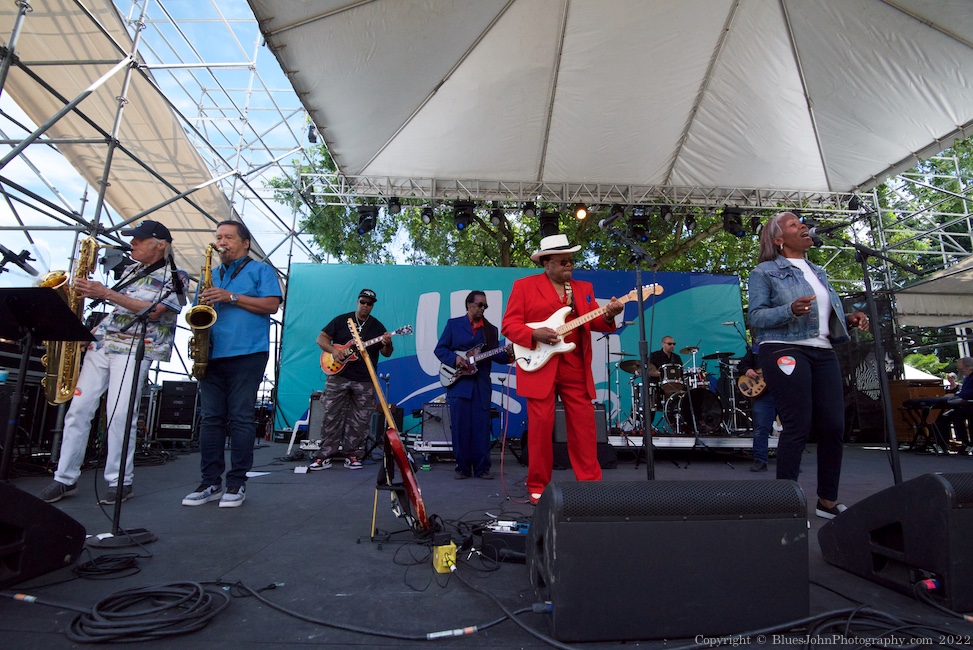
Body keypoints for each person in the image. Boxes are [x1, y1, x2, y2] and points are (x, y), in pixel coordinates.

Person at [40, 220, 189, 504]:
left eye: (138, 240)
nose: (132, 244)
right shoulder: (131, 270)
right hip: (103, 346)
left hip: (136, 348)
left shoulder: (176, 275)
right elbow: (118, 311)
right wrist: (88, 333)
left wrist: (105, 292)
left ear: (159, 245)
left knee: (120, 415)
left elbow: (156, 312)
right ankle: (64, 478)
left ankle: (121, 481)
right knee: (78, 410)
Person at [748, 211, 868, 519]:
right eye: (793, 224)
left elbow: (826, 311)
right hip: (784, 348)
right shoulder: (764, 271)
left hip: (823, 350)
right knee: (797, 424)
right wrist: (789, 309)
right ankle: (784, 504)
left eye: (802, 223)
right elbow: (756, 317)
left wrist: (849, 319)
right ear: (778, 240)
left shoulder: (817, 270)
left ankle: (827, 501)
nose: (803, 226)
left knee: (833, 426)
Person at [501, 234, 623, 504]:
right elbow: (509, 325)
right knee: (541, 428)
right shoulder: (524, 286)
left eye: (571, 261)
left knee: (584, 426)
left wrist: (610, 313)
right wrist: (535, 335)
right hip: (539, 365)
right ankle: (537, 486)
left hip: (574, 365)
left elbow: (595, 321)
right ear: (546, 263)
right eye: (563, 261)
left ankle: (590, 485)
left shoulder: (584, 287)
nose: (569, 266)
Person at [182, 221, 281, 508]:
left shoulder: (262, 270)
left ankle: (236, 483)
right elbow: (197, 312)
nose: (220, 242)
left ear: (245, 243)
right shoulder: (210, 274)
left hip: (248, 352)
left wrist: (231, 297)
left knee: (240, 417)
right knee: (211, 419)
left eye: (227, 237)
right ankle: (210, 482)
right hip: (211, 352)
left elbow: (271, 306)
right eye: (218, 237)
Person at [308, 289, 392, 471]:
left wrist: (388, 343)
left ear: (372, 306)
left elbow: (386, 353)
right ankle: (324, 455)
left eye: (369, 303)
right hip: (339, 376)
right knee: (331, 415)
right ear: (357, 302)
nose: (365, 306)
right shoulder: (342, 320)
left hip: (365, 379)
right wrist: (334, 351)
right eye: (363, 302)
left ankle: (353, 454)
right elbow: (321, 338)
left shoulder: (377, 327)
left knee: (360, 419)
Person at [434, 290, 510, 479]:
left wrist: (510, 353)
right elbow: (440, 349)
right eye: (480, 305)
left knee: (482, 428)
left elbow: (496, 355)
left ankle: (482, 468)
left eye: (485, 306)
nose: (483, 308)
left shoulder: (490, 330)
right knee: (460, 428)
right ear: (469, 305)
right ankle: (463, 468)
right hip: (458, 384)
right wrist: (456, 359)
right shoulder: (454, 325)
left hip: (481, 384)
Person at [736, 343, 777, 472]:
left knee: (791, 427)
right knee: (761, 428)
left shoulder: (790, 346)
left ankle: (790, 460)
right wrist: (748, 370)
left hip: (785, 391)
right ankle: (760, 460)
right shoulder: (756, 348)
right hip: (765, 394)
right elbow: (742, 365)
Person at [935, 357, 973, 454]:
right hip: (966, 405)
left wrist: (956, 395)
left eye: (962, 370)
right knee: (945, 417)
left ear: (969, 368)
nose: (961, 372)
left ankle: (965, 443)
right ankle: (946, 443)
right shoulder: (968, 378)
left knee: (958, 415)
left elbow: (969, 393)